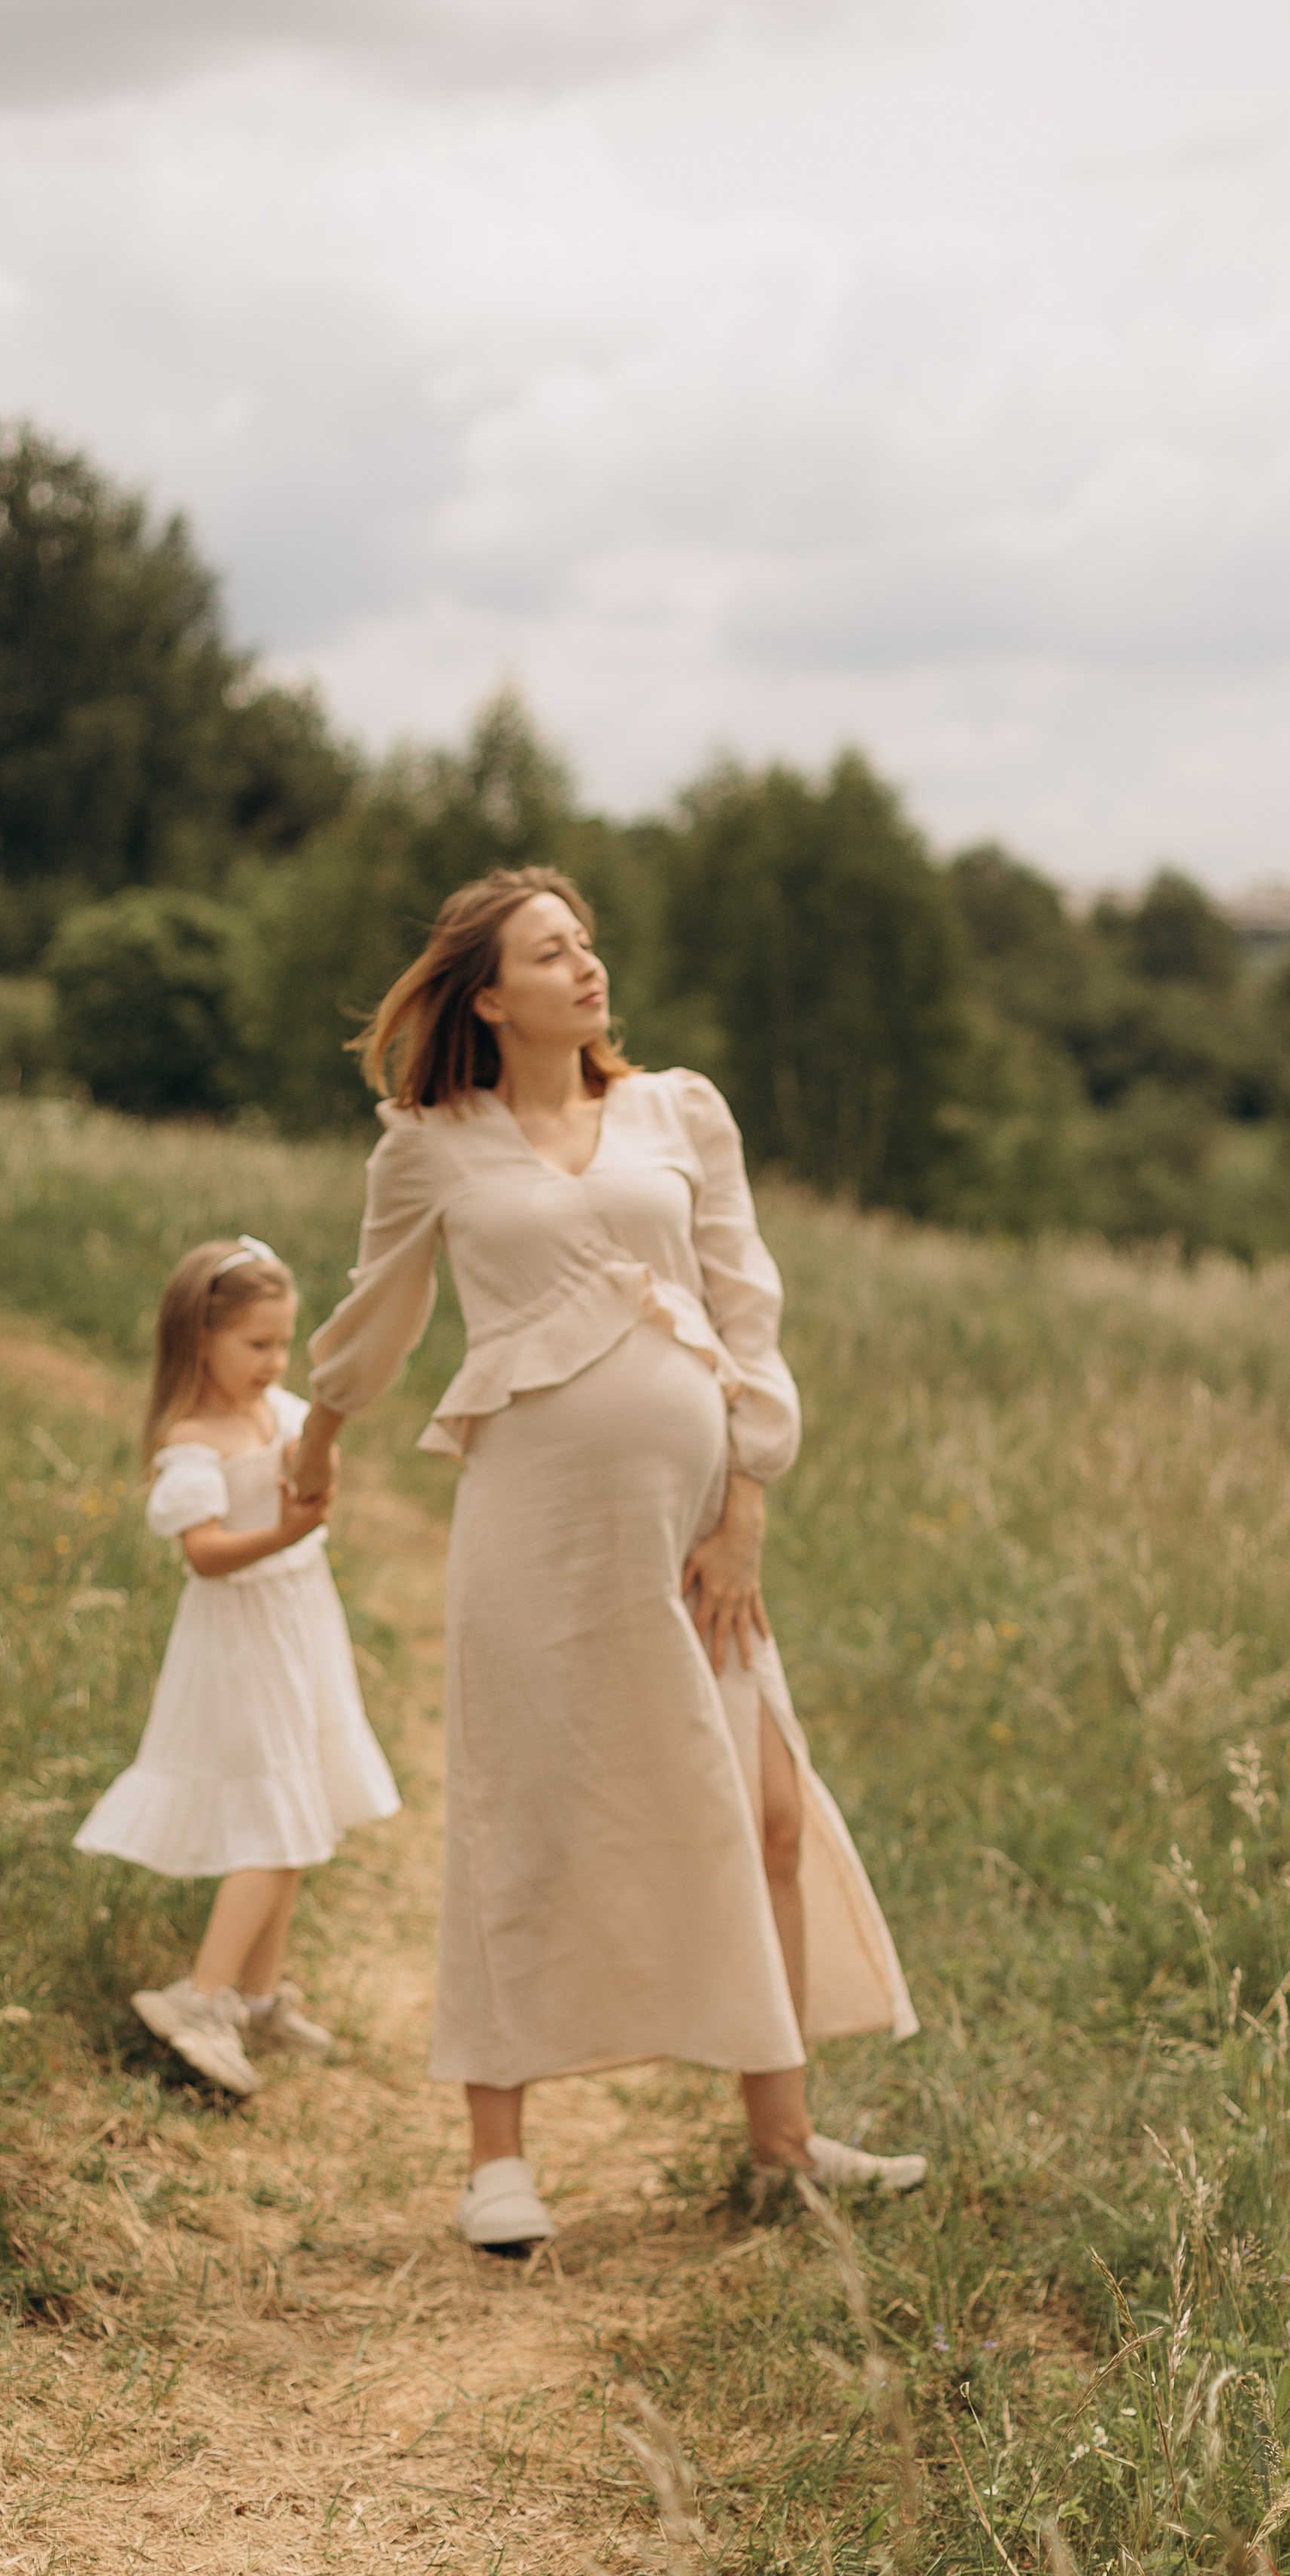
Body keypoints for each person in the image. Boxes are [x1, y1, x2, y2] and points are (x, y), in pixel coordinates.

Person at [291, 865, 924, 2253]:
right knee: (526, 1810)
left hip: (692, 1529)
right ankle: (497, 2161)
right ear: (487, 997)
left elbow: (745, 1310)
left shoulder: (678, 1111)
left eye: (586, 944)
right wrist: (319, 1439)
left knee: (762, 1807)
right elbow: (376, 1316)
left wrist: (746, 1505)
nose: (586, 967)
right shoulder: (432, 1144)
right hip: (535, 1525)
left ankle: (782, 2146)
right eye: (550, 952)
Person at [74, 1235, 401, 2097]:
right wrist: (286, 1530)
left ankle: (258, 1999)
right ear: (200, 1340)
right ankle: (201, 1998)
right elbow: (205, 1555)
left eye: (283, 1343)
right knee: (278, 1819)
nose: (273, 1361)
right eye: (256, 1343)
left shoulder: (280, 1412)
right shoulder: (193, 1440)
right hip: (241, 1638)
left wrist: (316, 1473)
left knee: (298, 1803)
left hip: (298, 1621)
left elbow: (312, 1461)